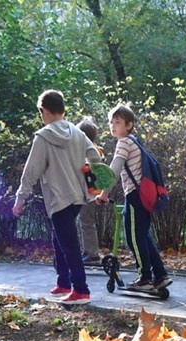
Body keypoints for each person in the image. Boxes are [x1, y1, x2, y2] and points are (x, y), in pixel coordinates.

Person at [12, 90, 99, 305]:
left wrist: (20, 198)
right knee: (59, 239)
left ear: (44, 111)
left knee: (68, 243)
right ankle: (63, 282)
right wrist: (86, 170)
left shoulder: (43, 137)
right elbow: (95, 156)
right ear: (62, 110)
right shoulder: (78, 133)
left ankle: (81, 290)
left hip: (59, 198)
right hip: (78, 196)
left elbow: (31, 171)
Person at [95, 103, 169, 291]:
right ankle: (160, 275)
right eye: (111, 122)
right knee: (144, 236)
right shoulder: (134, 141)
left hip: (135, 196)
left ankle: (145, 277)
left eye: (117, 122)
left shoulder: (124, 143)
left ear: (128, 125)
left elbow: (115, 169)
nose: (113, 126)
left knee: (133, 238)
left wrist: (104, 193)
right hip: (143, 195)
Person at [76, 117, 104, 266]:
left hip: (89, 193)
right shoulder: (93, 149)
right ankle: (87, 251)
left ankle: (92, 254)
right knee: (84, 222)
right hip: (90, 192)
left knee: (87, 222)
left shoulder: (89, 152)